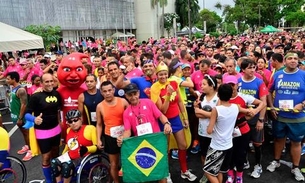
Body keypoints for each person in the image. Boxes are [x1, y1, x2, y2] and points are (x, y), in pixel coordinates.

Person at [150, 62, 197, 182]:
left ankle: (184, 170)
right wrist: (168, 95)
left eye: (165, 74)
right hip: (163, 121)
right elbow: (162, 110)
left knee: (182, 145)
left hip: (176, 119)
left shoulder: (174, 83)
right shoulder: (154, 88)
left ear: (168, 74)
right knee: (165, 149)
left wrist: (184, 118)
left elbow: (180, 102)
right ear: (157, 75)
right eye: (160, 74)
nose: (163, 77)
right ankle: (166, 173)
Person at [117, 83, 172, 183]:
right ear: (126, 96)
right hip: (141, 145)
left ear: (138, 93)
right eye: (130, 95)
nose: (133, 97)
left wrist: (167, 123)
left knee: (160, 173)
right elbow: (127, 131)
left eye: (135, 94)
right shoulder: (126, 112)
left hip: (155, 142)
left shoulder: (148, 103)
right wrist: (122, 138)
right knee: (144, 171)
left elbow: (160, 116)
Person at [267, 52, 305, 181]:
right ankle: (276, 161)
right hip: (280, 115)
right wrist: (271, 106)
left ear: (298, 61)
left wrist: (303, 104)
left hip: (298, 117)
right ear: (285, 61)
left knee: (296, 142)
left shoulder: (303, 75)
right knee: (278, 139)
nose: (293, 60)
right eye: (290, 58)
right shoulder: (278, 74)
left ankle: (295, 167)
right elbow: (269, 91)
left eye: (295, 58)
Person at [223, 75, 266, 183]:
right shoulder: (221, 98)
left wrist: (254, 112)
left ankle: (239, 176)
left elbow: (262, 103)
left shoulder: (243, 96)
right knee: (229, 154)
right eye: (229, 85)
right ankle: (230, 175)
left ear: (237, 85)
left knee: (241, 153)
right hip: (227, 131)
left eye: (233, 85)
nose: (231, 87)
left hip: (242, 130)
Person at [25, 73, 62, 183]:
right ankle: (49, 180)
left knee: (56, 156)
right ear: (41, 83)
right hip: (42, 132)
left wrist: (61, 125)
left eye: (51, 81)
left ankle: (57, 178)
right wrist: (34, 119)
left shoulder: (57, 94)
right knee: (46, 157)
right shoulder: (36, 96)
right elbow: (26, 114)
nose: (50, 83)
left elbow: (58, 112)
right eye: (47, 81)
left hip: (56, 130)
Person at [238, 58, 268, 179]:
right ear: (243, 69)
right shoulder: (238, 81)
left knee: (257, 144)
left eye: (253, 67)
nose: (252, 70)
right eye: (249, 67)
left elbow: (264, 102)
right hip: (241, 118)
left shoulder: (259, 82)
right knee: (242, 143)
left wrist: (261, 119)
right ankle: (245, 161)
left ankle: (258, 165)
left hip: (256, 119)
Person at [203, 84, 239, 183]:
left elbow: (209, 130)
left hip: (217, 146)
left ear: (218, 95)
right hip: (229, 145)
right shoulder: (235, 107)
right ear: (231, 95)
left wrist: (209, 128)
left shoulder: (216, 110)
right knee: (220, 171)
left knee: (208, 171)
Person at [51, 109, 97, 183]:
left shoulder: (90, 128)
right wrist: (62, 155)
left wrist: (87, 149)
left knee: (66, 166)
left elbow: (97, 146)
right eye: (70, 121)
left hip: (85, 157)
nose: (73, 123)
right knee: (54, 162)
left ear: (81, 119)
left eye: (75, 120)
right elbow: (68, 146)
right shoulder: (68, 130)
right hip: (71, 156)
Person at [96, 81, 129, 183]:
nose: (108, 93)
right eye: (105, 91)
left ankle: (130, 180)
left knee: (128, 161)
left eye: (110, 90)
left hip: (125, 136)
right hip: (110, 137)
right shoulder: (100, 106)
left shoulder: (123, 101)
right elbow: (99, 124)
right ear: (101, 92)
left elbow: (131, 117)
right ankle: (116, 181)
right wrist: (98, 139)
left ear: (114, 90)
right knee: (113, 164)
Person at [194, 75, 219, 183]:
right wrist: (209, 114)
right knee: (203, 154)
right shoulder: (201, 97)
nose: (201, 86)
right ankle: (206, 173)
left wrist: (202, 113)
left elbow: (217, 115)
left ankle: (214, 174)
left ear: (211, 86)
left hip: (214, 132)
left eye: (204, 84)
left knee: (214, 155)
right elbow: (197, 114)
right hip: (202, 131)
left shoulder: (218, 98)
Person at [6, 72, 32, 161]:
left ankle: (31, 150)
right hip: (16, 116)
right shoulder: (13, 88)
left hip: (22, 117)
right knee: (23, 132)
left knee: (26, 132)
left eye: (8, 79)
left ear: (14, 79)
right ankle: (27, 146)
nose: (7, 80)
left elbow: (24, 104)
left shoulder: (21, 90)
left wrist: (20, 118)